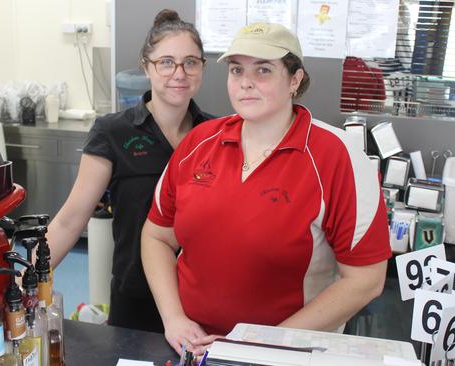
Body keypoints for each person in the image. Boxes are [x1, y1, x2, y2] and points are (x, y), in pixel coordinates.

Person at [141, 22, 391, 355]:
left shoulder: (337, 158)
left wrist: (261, 344)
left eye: (263, 70)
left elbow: (365, 280)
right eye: (236, 70)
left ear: (295, 79)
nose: (245, 82)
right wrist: (173, 318)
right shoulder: (200, 143)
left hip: (287, 352)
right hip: (194, 346)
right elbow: (157, 236)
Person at [46, 9, 213, 333]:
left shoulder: (216, 134)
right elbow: (69, 221)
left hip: (201, 299)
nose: (179, 72)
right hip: (136, 297)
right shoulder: (113, 132)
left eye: (191, 62)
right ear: (146, 66)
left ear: (201, 69)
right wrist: (19, 281)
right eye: (166, 62)